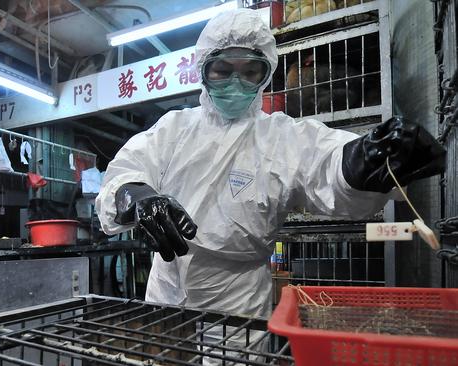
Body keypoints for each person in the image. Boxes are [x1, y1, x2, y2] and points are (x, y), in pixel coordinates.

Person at [95, 7, 445, 362]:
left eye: (251, 72)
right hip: (167, 289)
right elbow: (127, 171)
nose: (236, 83)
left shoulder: (280, 138)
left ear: (266, 75)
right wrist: (136, 195)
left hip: (237, 300)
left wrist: (362, 160)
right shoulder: (173, 130)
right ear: (203, 70)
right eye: (222, 70)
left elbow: (325, 162)